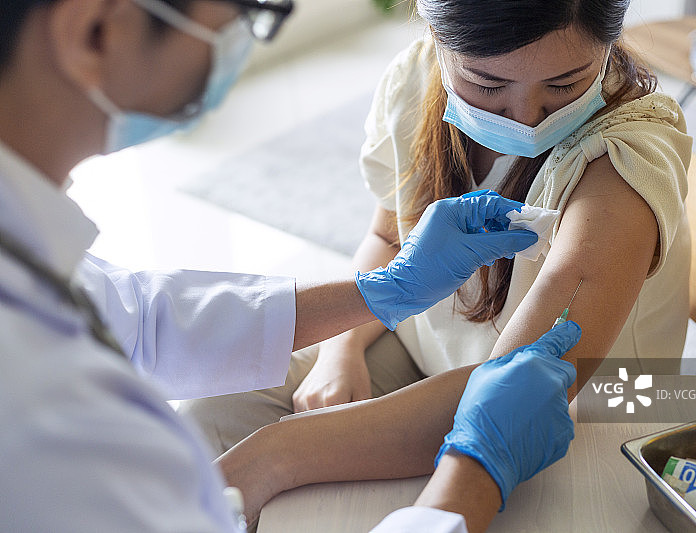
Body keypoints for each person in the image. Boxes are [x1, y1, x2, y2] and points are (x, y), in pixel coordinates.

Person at [0, 0, 579, 532]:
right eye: (242, 13)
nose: (526, 118)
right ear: (94, 31)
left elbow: (141, 319)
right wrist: (471, 481)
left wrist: (386, 290)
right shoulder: (38, 403)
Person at [181, 0, 693, 456]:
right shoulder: (417, 79)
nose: (526, 118)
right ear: (434, 32)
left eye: (565, 84)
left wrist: (274, 456)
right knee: (208, 421)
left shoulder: (620, 164)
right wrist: (343, 351)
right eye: (487, 84)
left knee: (266, 467)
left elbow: (508, 396)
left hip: (569, 412)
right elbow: (388, 239)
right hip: (423, 352)